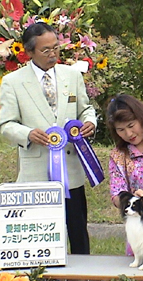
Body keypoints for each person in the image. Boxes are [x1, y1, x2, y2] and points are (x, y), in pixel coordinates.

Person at [0, 22, 97, 254]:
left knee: (78, 235)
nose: (53, 54)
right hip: (36, 174)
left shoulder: (72, 75)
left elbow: (86, 109)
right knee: (40, 237)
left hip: (71, 173)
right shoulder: (12, 82)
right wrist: (27, 134)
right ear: (29, 51)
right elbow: (5, 124)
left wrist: (90, 122)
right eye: (45, 50)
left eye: (55, 48)